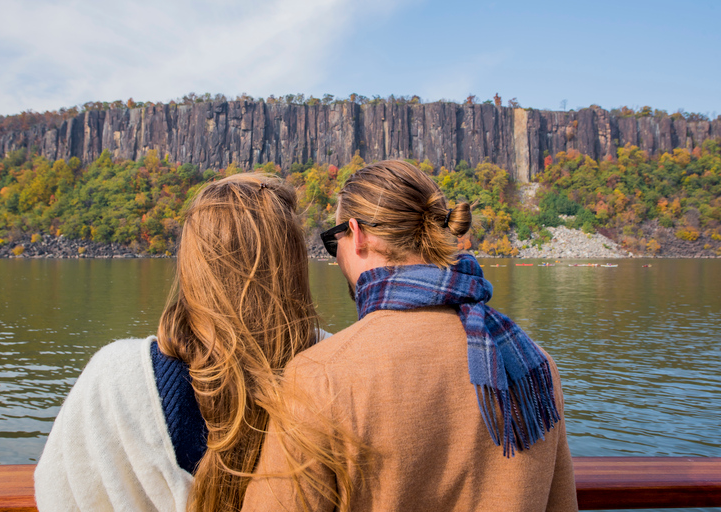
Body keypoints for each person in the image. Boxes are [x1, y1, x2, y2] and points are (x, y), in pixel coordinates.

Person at [242, 160, 578, 511]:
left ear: (357, 235)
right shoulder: (532, 365)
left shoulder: (319, 376)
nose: (336, 254)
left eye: (333, 241)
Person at [35, 173, 338, 511]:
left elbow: (58, 495)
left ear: (190, 261)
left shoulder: (115, 377)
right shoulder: (338, 368)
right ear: (294, 261)